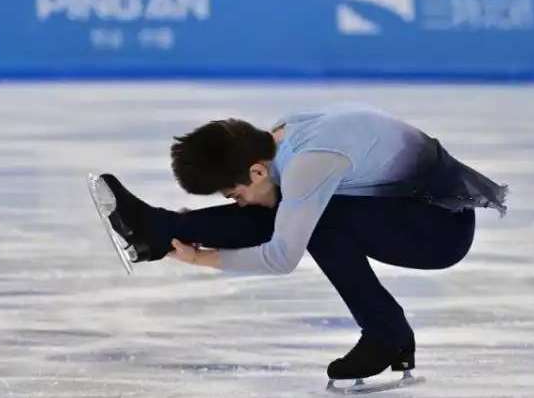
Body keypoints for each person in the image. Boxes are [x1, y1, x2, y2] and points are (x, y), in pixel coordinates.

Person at [94, 102, 507, 384]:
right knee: (289, 210)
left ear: (255, 171)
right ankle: (156, 230)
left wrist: (205, 259)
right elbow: (276, 208)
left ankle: (387, 334)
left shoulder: (309, 161)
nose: (237, 202)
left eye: (233, 195)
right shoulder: (280, 140)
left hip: (439, 231)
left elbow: (282, 257)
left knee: (317, 222)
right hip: (407, 208)